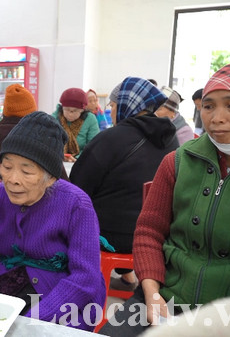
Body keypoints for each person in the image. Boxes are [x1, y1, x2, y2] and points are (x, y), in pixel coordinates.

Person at [98, 58, 230, 336]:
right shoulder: (178, 161)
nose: (216, 117)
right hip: (166, 295)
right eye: (208, 105)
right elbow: (148, 231)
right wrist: (152, 293)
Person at [0, 111, 105, 331]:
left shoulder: (77, 204)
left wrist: (36, 319)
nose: (12, 179)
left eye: (26, 171)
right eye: (7, 167)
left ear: (50, 178)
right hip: (6, 285)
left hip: (63, 294)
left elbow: (85, 276)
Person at [69, 77, 178, 290]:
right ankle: (127, 276)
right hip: (156, 237)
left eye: (112, 105)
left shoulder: (112, 138)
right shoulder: (171, 139)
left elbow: (77, 188)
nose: (110, 111)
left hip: (109, 237)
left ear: (127, 105)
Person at [53, 88, 100, 161]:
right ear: (62, 108)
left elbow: (94, 146)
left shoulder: (90, 119)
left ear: (82, 110)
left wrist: (78, 158)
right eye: (67, 110)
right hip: (56, 159)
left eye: (75, 111)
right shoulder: (55, 117)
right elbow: (47, 142)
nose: (70, 114)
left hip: (82, 161)